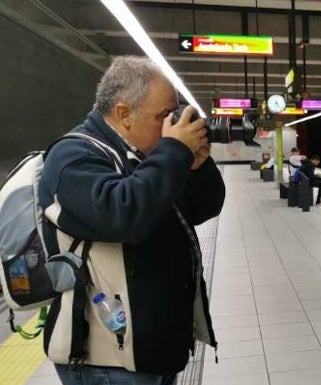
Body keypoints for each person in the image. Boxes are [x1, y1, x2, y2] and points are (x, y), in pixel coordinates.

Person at [38, 56, 226, 384]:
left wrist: (195, 166)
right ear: (124, 114)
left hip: (153, 348)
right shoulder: (73, 158)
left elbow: (202, 208)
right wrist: (173, 153)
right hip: (109, 362)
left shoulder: (145, 154)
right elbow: (123, 216)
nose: (173, 124)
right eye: (163, 116)